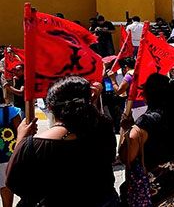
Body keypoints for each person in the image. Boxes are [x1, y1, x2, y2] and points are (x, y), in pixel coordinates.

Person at [7, 76, 118, 206]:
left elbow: (14, 183)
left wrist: (21, 140)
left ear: (50, 107)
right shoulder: (103, 129)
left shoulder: (34, 145)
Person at [120, 73, 174, 206]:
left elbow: (127, 157)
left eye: (144, 91)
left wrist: (126, 129)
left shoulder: (144, 124)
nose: (142, 95)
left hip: (154, 188)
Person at [0, 103, 21, 207]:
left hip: (5, 159)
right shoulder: (11, 111)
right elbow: (21, 134)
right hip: (6, 158)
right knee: (6, 188)